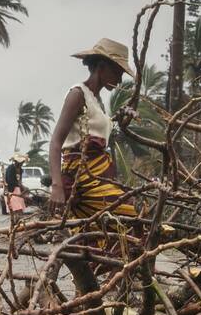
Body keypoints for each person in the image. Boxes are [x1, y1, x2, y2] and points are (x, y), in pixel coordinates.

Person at [48, 38, 140, 225]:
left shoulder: (96, 101)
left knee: (98, 232)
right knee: (130, 212)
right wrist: (56, 186)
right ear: (101, 66)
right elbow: (56, 142)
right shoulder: (77, 94)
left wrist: (121, 119)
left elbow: (94, 131)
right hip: (82, 178)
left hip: (98, 176)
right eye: (117, 72)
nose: (120, 80)